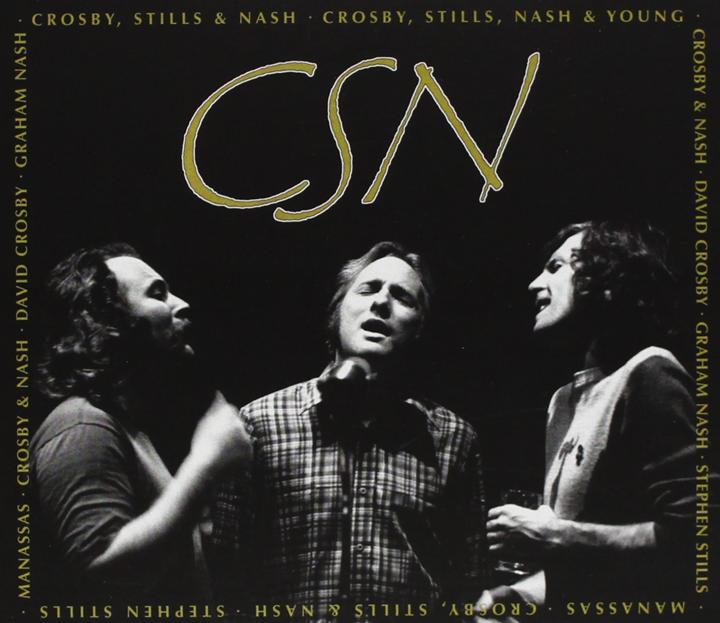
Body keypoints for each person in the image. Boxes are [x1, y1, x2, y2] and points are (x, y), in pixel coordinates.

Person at [212, 241, 488, 621]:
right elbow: (225, 575)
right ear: (336, 312)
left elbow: (469, 584)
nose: (382, 302)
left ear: (420, 328)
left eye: (403, 297)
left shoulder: (454, 439)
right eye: (368, 289)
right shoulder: (260, 423)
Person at [478, 222, 711, 621]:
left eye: (555, 267)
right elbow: (586, 565)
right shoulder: (562, 403)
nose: (534, 283)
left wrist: (555, 535)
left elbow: (697, 538)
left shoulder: (650, 374)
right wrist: (521, 594)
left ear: (607, 282)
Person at [31, 243, 253, 602]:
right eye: (157, 294)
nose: (182, 304)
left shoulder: (128, 428)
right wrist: (206, 465)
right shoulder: (81, 425)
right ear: (107, 321)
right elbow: (101, 571)